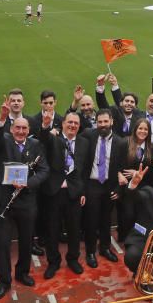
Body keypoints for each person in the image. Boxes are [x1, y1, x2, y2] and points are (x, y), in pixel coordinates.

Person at [0, 105, 49, 300]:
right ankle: (3, 281)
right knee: (3, 243)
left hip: (26, 201)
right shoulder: (3, 141)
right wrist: (2, 118)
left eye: (24, 129)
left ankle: (23, 273)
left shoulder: (36, 145)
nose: (21, 131)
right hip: (4, 200)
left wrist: (27, 183)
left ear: (28, 131)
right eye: (17, 128)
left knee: (26, 241)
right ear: (11, 129)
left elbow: (44, 170)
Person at [37, 112, 89, 279]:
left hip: (73, 192)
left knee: (74, 229)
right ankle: (53, 262)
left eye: (76, 123)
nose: (72, 125)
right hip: (54, 192)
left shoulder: (84, 143)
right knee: (52, 229)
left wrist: (82, 191)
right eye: (70, 122)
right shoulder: (55, 139)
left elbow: (84, 170)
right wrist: (45, 126)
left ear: (79, 126)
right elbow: (43, 139)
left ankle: (73, 259)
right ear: (63, 124)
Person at [81, 109, 126, 267]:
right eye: (99, 122)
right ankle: (91, 251)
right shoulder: (89, 135)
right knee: (91, 220)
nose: (102, 125)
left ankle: (105, 248)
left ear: (111, 121)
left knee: (106, 219)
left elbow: (122, 168)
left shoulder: (120, 143)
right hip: (92, 184)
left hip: (109, 185)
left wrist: (119, 189)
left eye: (105, 122)